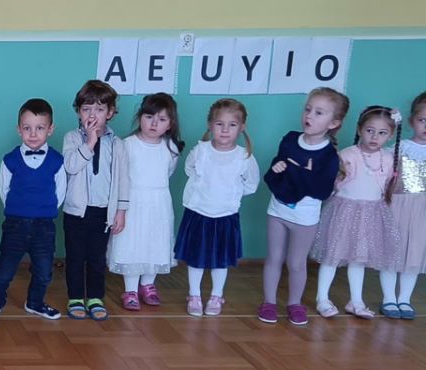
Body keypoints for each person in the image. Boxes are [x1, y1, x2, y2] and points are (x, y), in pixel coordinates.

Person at [259, 87, 349, 325]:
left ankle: (294, 303)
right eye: (308, 109)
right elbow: (272, 178)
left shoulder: (328, 155)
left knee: (296, 263)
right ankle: (268, 302)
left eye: (319, 112)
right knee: (274, 258)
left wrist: (299, 173)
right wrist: (278, 168)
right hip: (277, 211)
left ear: (333, 123)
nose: (309, 115)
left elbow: (321, 190)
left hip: (305, 219)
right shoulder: (290, 139)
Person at [312, 105, 402, 319]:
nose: (375, 137)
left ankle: (356, 300)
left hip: (371, 214)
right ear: (360, 129)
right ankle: (322, 298)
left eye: (382, 133)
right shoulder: (347, 155)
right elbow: (334, 185)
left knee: (358, 259)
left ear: (390, 136)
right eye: (370, 130)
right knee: (332, 256)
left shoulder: (388, 159)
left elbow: (388, 186)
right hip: (345, 211)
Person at [0, 98, 65, 323]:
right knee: (4, 269)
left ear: (50, 129)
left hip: (44, 226)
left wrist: (42, 211)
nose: (33, 134)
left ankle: (35, 302)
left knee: (44, 270)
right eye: (27, 128)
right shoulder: (10, 160)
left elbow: (60, 192)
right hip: (15, 224)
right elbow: (4, 190)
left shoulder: (57, 161)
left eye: (40, 128)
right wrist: (20, 210)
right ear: (19, 130)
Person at [173, 99, 261, 316]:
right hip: (198, 213)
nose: (225, 130)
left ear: (241, 127)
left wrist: (230, 195)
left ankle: (216, 295)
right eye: (220, 124)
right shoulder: (201, 151)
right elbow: (189, 170)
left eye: (232, 125)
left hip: (225, 215)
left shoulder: (244, 157)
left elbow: (251, 184)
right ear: (210, 125)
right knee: (196, 258)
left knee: (220, 261)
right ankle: (194, 295)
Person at [62, 80, 130, 321]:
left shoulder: (117, 144)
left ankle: (94, 297)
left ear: (110, 113)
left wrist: (120, 210)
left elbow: (123, 179)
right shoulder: (72, 138)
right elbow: (71, 166)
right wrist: (90, 141)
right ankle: (75, 297)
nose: (92, 115)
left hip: (103, 212)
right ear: (78, 112)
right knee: (75, 257)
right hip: (76, 211)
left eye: (99, 109)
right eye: (86, 109)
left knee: (97, 258)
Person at [108, 93, 183, 311]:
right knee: (132, 244)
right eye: (149, 117)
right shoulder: (127, 145)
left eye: (162, 119)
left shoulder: (171, 148)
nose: (154, 124)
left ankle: (148, 284)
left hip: (158, 204)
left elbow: (168, 172)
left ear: (170, 124)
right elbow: (120, 176)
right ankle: (130, 289)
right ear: (140, 117)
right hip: (133, 203)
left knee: (155, 243)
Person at [380, 91, 426, 320]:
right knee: (392, 252)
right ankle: (389, 297)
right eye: (422, 120)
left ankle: (404, 298)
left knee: (414, 254)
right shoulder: (401, 147)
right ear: (411, 121)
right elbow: (382, 167)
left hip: (421, 211)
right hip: (397, 206)